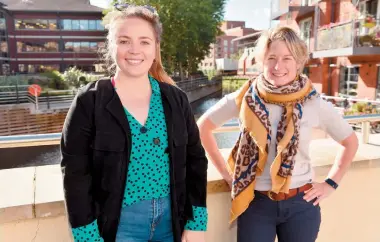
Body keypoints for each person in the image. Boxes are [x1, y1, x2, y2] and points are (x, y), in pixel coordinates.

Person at [60, 4, 208, 242]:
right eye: (125, 41)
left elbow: (196, 161)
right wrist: (87, 237)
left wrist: (196, 223)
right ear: (112, 46)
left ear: (155, 48)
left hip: (172, 223)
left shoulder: (176, 99)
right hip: (119, 228)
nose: (134, 50)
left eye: (144, 41)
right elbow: (75, 174)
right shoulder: (90, 101)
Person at [197, 26, 358, 242]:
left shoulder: (313, 103)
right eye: (271, 57)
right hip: (256, 204)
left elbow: (350, 142)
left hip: (302, 204)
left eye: (287, 58)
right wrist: (227, 174)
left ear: (298, 62)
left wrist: (331, 183)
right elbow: (203, 127)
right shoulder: (246, 97)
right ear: (262, 60)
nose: (277, 66)